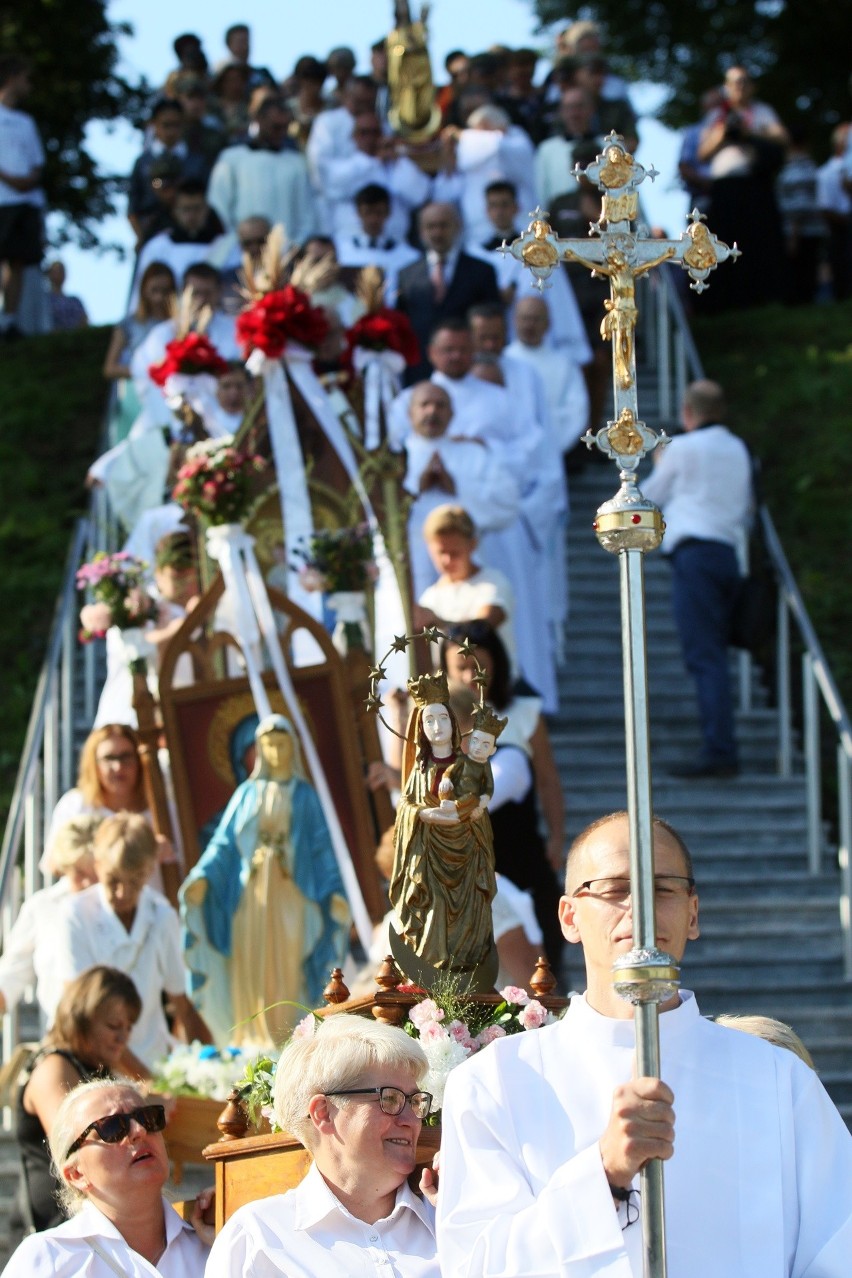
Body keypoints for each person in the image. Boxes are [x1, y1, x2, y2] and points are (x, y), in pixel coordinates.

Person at [437, 810, 852, 1276]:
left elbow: (839, 1246)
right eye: (614, 890)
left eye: (663, 887)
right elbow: (477, 1265)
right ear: (569, 918)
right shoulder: (495, 1081)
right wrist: (602, 1174)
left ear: (693, 913)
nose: (640, 908)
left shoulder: (778, 1080)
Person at [206, 1015, 438, 1276]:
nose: (411, 1120)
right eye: (391, 1099)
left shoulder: (447, 1219)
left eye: (416, 1101)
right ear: (323, 1113)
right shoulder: (257, 1238)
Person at [180, 714, 350, 1049]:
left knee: (289, 968)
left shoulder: (305, 796)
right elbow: (224, 843)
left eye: (281, 743)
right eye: (268, 744)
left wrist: (332, 890)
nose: (275, 750)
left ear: (293, 748)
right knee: (251, 966)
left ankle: (288, 1038)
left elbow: (321, 847)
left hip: (292, 895)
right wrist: (202, 876)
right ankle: (253, 1038)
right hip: (252, 896)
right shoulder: (247, 793)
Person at [642, 379, 752, 778]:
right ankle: (720, 743)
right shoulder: (738, 447)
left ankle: (720, 749)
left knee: (706, 657)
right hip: (727, 555)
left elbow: (648, 496)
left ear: (688, 413)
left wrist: (659, 460)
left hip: (696, 559)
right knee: (713, 656)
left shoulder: (683, 448)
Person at [442, 623, 565, 969]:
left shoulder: (521, 720)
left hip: (518, 859)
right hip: (465, 870)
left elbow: (548, 781)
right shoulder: (440, 723)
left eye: (478, 667)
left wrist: (557, 836)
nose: (470, 676)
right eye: (460, 668)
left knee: (538, 973)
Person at [3, 1078, 212, 1277]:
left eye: (148, 1118)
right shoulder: (48, 1257)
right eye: (112, 1128)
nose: (139, 1131)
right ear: (76, 1174)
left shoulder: (215, 1239)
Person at [51, 813, 209, 1067]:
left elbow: (184, 1005)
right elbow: (81, 1014)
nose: (123, 893)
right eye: (113, 880)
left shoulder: (162, 915)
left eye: (135, 881)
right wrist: (146, 1084)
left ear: (150, 870)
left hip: (154, 1065)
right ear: (98, 865)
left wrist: (206, 1067)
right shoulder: (74, 915)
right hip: (90, 1069)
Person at [10, 966, 143, 1243]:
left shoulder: (96, 1067)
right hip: (51, 1233)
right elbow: (74, 1145)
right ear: (81, 1020)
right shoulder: (53, 1067)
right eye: (113, 1026)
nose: (124, 1037)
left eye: (129, 1027)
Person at [389, 671, 498, 986]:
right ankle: (432, 976)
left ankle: (468, 972)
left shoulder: (470, 765)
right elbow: (407, 808)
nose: (437, 728)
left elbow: (479, 802)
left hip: (467, 857)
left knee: (471, 916)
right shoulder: (419, 772)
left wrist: (472, 813)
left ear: (454, 723)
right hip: (429, 861)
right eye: (429, 722)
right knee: (433, 910)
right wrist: (426, 816)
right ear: (421, 729)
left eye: (442, 720)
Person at [401, 381, 519, 599]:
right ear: (410, 413)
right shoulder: (394, 459)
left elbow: (508, 506)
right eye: (424, 404)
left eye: (440, 405)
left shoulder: (474, 454)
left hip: (464, 572)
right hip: (409, 569)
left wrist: (457, 490)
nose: (432, 411)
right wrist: (416, 491)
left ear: (452, 413)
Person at [0, 815, 99, 1021]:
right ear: (64, 868)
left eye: (96, 872)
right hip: (62, 1037)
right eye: (79, 873)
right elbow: (11, 972)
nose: (89, 882)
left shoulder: (132, 906)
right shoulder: (42, 907)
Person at [395, 203, 500, 378]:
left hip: (467, 369)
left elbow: (491, 323)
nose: (437, 233)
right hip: (420, 371)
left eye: (443, 225)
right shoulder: (406, 275)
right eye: (431, 226)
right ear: (421, 231)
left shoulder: (481, 271)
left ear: (457, 227)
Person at [416, 502, 517, 675]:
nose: (447, 560)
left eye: (454, 552)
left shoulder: (493, 583)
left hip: (492, 694)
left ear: (472, 545)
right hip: (452, 696)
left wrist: (439, 622)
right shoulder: (430, 597)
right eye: (441, 552)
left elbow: (482, 629)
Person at [206, 97, 316, 240]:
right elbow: (218, 206)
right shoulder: (231, 158)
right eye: (275, 126)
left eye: (285, 127)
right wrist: (235, 242)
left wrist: (295, 245)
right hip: (240, 249)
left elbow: (306, 214)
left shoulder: (297, 163)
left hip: (283, 252)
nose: (281, 133)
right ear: (259, 120)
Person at [0, 56, 44, 342]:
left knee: (17, 262)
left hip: (25, 203)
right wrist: (9, 179)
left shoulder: (26, 121)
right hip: (2, 201)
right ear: (12, 77)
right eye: (25, 78)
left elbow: (37, 163)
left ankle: (9, 321)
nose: (28, 85)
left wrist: (27, 181)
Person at [44, 260, 88, 330]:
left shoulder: (75, 301)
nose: (58, 274)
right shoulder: (44, 300)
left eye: (61, 271)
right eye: (55, 272)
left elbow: (84, 321)